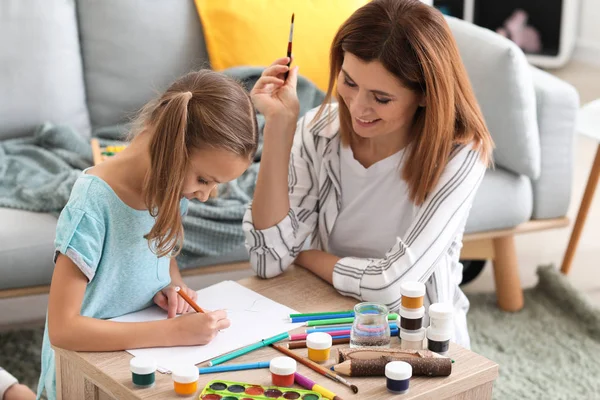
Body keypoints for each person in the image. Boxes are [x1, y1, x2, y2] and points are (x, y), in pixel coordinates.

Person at [243, 0, 493, 348]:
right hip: (327, 322)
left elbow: (391, 289)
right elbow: (268, 260)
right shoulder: (317, 131)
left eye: (381, 98)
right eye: (349, 81)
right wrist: (279, 128)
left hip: (420, 341)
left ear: (424, 95)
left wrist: (303, 253)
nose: (358, 107)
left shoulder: (460, 154)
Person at [37, 70, 259, 399]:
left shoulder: (171, 190)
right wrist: (171, 332)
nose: (206, 195)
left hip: (139, 364)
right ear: (170, 149)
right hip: (84, 376)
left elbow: (163, 257)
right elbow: (63, 329)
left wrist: (174, 286)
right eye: (203, 179)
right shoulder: (92, 205)